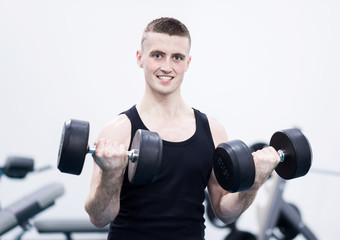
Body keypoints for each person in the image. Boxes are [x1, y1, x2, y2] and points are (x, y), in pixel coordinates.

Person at [85, 17, 280, 240]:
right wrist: (111, 173)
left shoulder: (213, 131)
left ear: (187, 62)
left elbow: (225, 213)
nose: (166, 67)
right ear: (140, 58)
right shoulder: (118, 132)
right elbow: (99, 218)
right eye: (157, 55)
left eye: (176, 57)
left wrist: (254, 182)